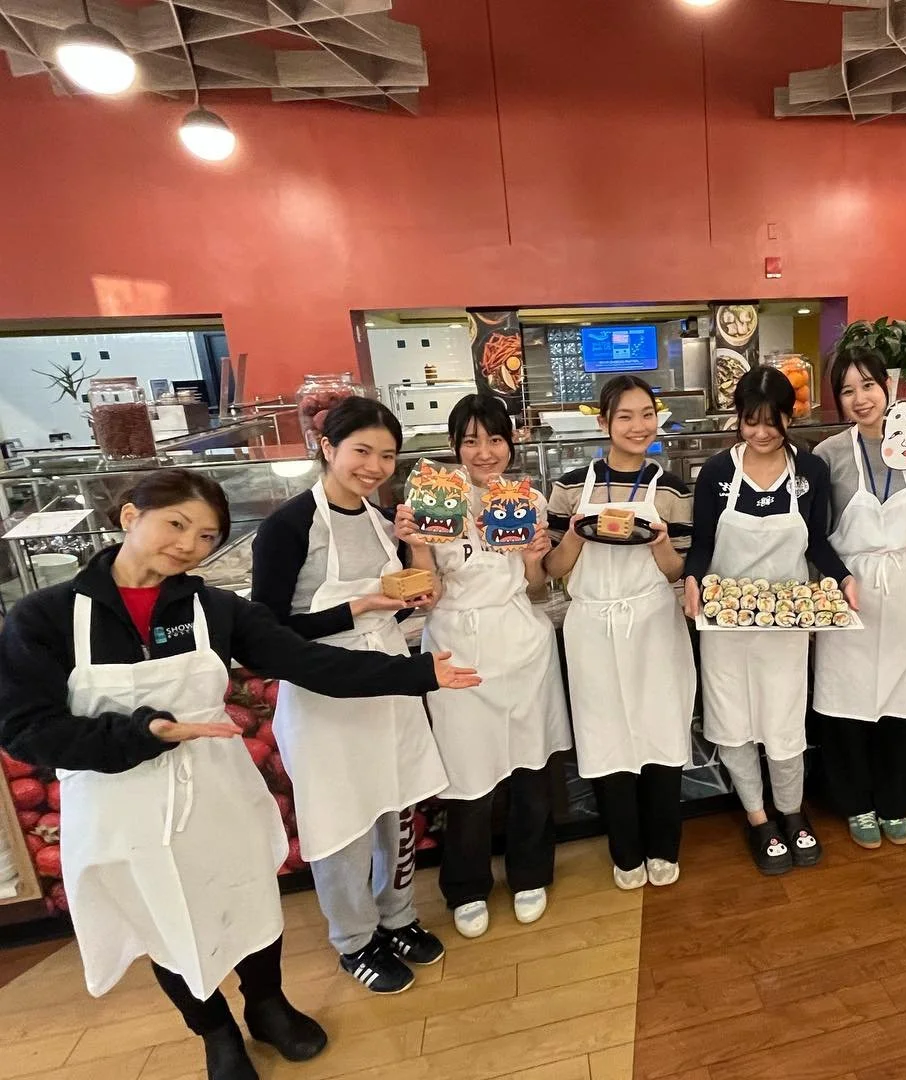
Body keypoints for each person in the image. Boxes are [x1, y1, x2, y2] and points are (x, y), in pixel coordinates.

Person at [0, 470, 478, 1080]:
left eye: (205, 537)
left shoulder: (212, 608)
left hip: (218, 784)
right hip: (119, 799)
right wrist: (141, 734)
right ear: (129, 517)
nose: (187, 545)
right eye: (175, 524)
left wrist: (419, 676)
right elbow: (25, 728)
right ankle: (215, 1030)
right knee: (164, 919)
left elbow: (308, 663)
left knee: (249, 902)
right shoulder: (46, 616)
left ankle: (268, 1006)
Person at [251, 398, 452, 995]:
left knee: (394, 805)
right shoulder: (288, 526)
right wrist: (358, 606)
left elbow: (415, 594)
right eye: (361, 450)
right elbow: (267, 631)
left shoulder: (384, 518)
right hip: (322, 691)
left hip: (387, 675)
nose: (374, 465)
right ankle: (354, 939)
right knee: (342, 821)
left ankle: (398, 916)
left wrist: (411, 586)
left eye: (387, 455)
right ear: (327, 447)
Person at [397, 393, 571, 939]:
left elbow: (537, 587)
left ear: (510, 443)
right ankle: (466, 886)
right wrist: (417, 546)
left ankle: (529, 874)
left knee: (531, 771)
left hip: (521, 642)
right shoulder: (433, 500)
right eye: (470, 440)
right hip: (456, 647)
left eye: (494, 439)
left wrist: (531, 556)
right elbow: (425, 592)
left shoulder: (526, 499)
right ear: (454, 448)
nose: (484, 451)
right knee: (467, 776)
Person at [682, 367, 855, 875]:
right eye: (749, 422)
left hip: (789, 616)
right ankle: (758, 818)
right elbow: (705, 543)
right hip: (725, 621)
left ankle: (792, 812)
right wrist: (693, 580)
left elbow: (817, 541)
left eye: (772, 421)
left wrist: (842, 579)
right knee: (731, 720)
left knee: (784, 720)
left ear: (789, 416)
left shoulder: (810, 472)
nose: (760, 433)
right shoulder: (717, 471)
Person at [544, 375, 696, 890]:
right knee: (605, 734)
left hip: (654, 621)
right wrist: (572, 536)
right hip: (591, 622)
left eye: (647, 414)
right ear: (603, 422)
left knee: (661, 730)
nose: (638, 426)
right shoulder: (569, 486)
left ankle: (663, 847)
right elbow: (550, 567)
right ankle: (625, 852)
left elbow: (678, 570)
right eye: (625, 416)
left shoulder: (673, 487)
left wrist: (657, 542)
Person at [811, 347, 906, 849]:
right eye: (848, 390)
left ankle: (895, 802)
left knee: (902, 700)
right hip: (851, 587)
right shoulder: (828, 455)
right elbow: (817, 533)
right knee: (845, 700)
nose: (860, 398)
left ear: (887, 387)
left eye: (868, 385)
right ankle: (855, 803)